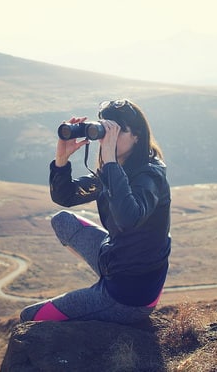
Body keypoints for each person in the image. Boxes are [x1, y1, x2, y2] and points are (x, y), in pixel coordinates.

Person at [20, 99, 171, 324]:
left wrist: (109, 160)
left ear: (137, 136)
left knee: (30, 317)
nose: (108, 139)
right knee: (62, 221)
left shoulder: (149, 176)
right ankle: (104, 282)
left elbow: (128, 219)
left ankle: (103, 297)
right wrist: (61, 160)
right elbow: (66, 197)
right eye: (105, 131)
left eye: (118, 132)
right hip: (116, 258)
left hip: (130, 295)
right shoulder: (118, 168)